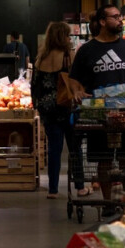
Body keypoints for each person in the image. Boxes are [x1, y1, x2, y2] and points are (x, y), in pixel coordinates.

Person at [69, 5, 125, 201]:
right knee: (102, 160)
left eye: (120, 17)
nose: (120, 20)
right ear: (103, 22)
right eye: (115, 17)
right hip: (97, 113)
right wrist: (77, 91)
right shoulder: (87, 50)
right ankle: (107, 202)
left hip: (124, 113)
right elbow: (74, 78)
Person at [31, 22, 90, 198]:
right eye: (67, 35)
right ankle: (80, 187)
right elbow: (77, 80)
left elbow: (34, 86)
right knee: (74, 148)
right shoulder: (68, 56)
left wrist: (37, 105)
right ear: (61, 37)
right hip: (67, 107)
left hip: (47, 109)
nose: (69, 38)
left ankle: (53, 190)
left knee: (54, 149)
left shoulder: (40, 59)